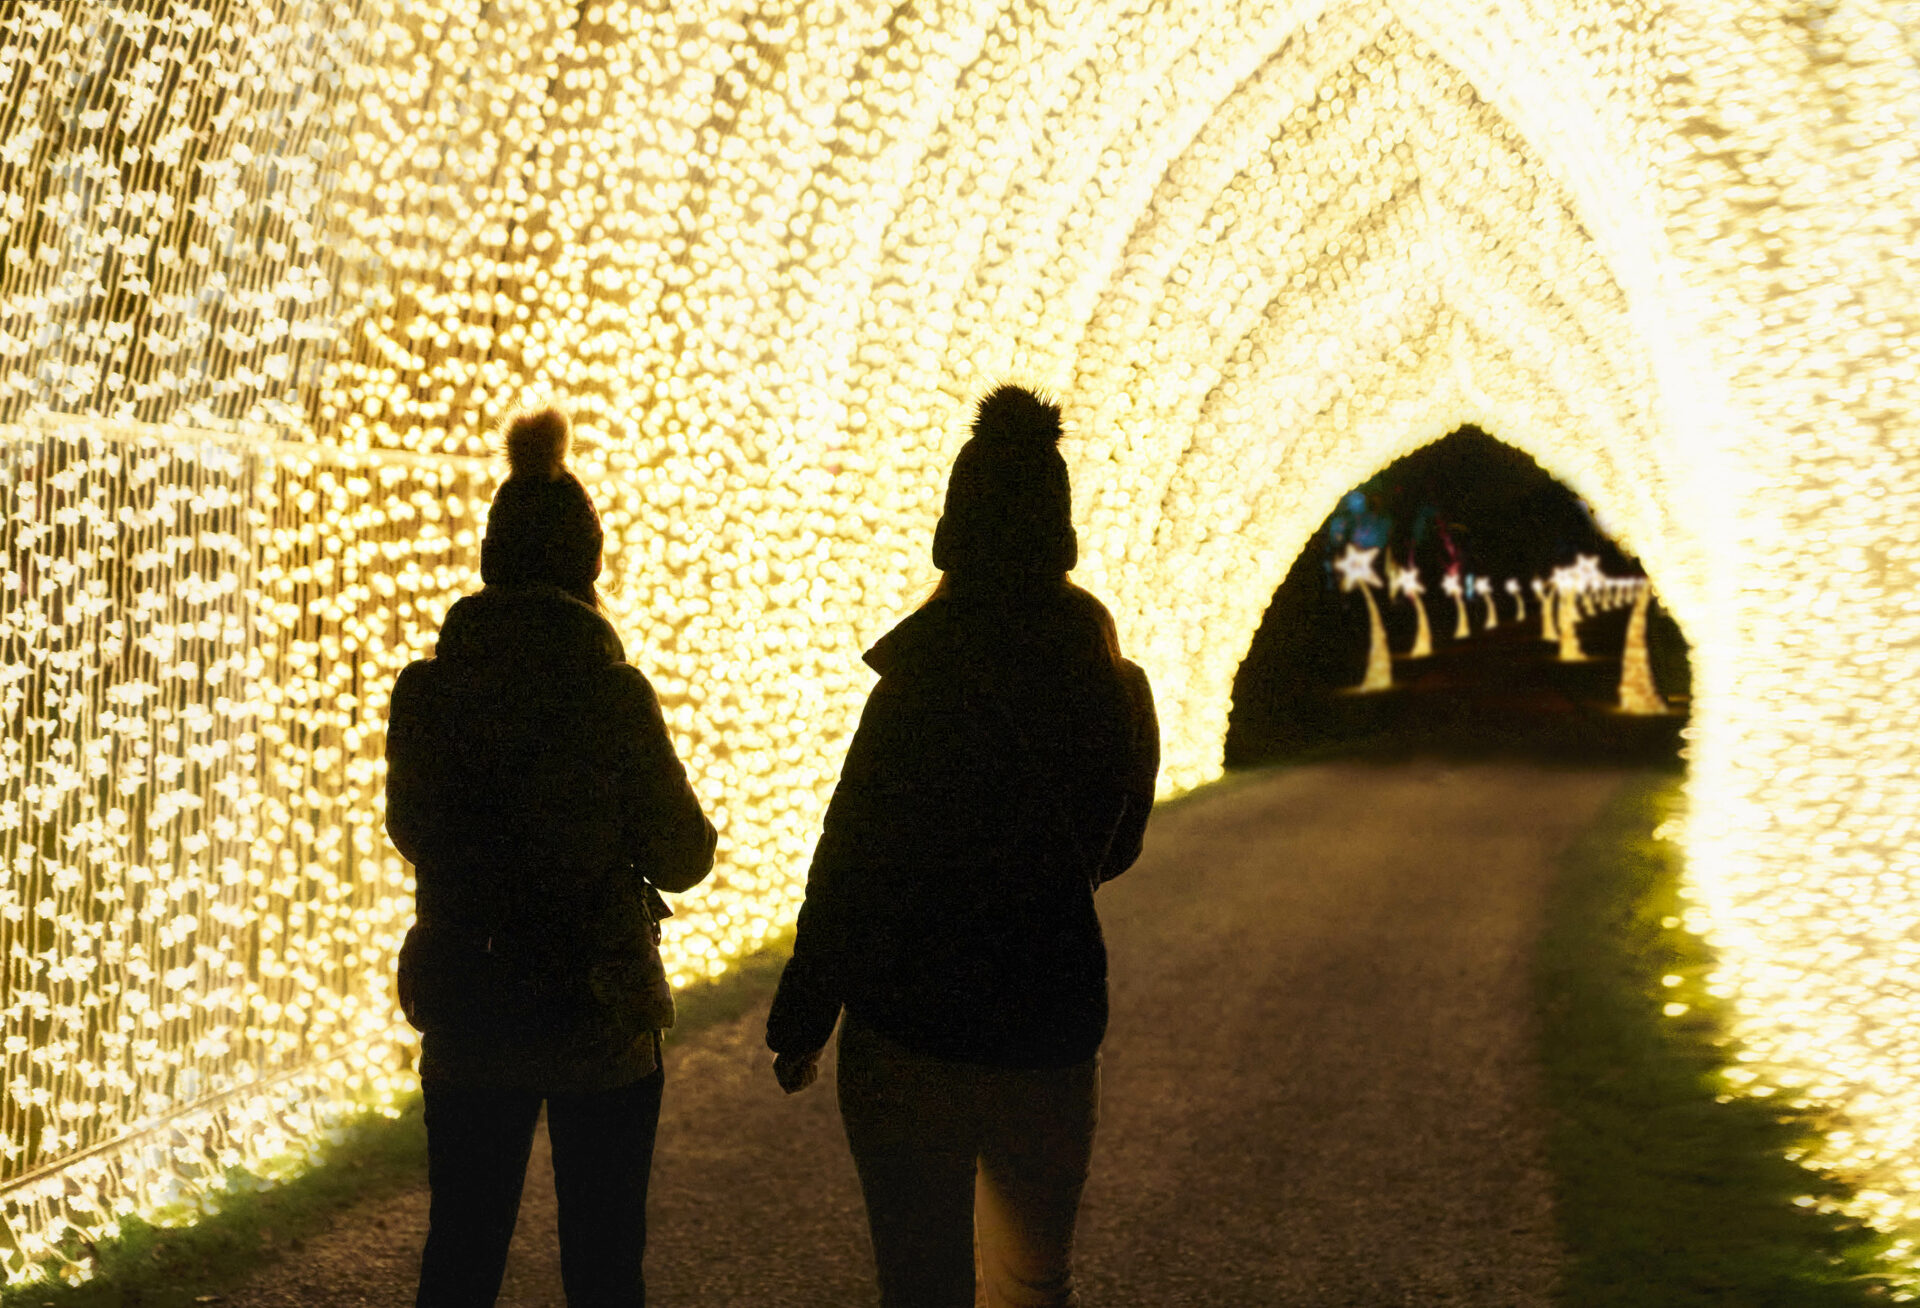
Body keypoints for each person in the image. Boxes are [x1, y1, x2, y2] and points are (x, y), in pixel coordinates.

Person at [766, 384, 1160, 1308]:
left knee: (918, 1286)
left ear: (955, 531)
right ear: (1058, 532)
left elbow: (849, 858)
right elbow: (1118, 848)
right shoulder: (1111, 682)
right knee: (1032, 1283)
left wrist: (803, 1015)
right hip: (1046, 1025)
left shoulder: (911, 685)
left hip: (908, 1029)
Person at [385, 407, 716, 1308]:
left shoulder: (429, 691)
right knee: (604, 1258)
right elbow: (684, 855)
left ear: (492, 558)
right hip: (596, 1012)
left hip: (468, 1001)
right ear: (587, 564)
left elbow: (411, 830)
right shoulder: (612, 692)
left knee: (461, 1247)